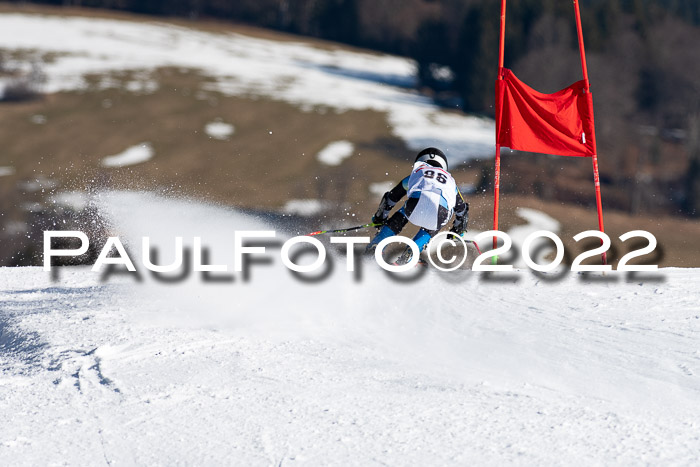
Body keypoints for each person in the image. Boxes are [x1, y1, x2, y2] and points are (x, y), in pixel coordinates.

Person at [367, 147, 469, 264]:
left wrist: (380, 218)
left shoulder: (417, 172)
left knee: (404, 209)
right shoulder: (450, 181)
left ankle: (378, 242)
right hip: (439, 214)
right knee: (442, 215)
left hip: (413, 207)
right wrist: (456, 233)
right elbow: (462, 211)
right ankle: (412, 252)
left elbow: (390, 198)